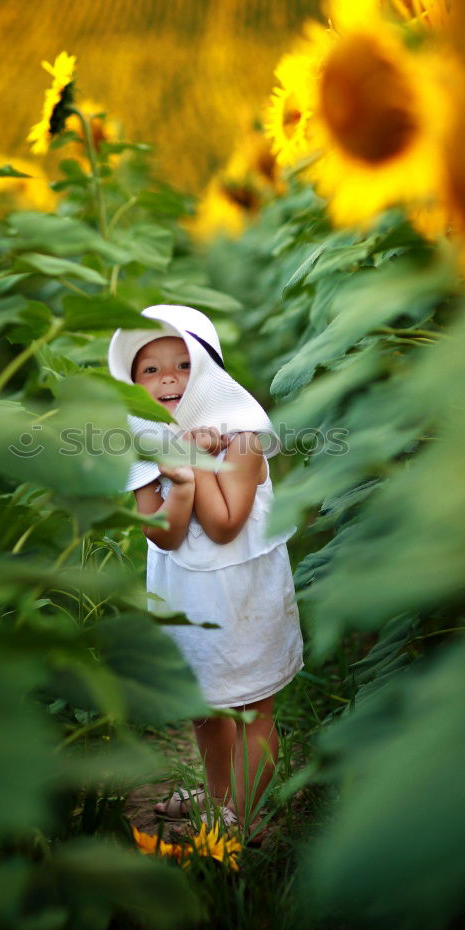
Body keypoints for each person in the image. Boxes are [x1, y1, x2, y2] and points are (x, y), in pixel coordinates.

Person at [108, 305, 303, 835]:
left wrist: (195, 465)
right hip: (186, 591)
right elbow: (162, 534)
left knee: (252, 705)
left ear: (210, 369)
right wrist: (184, 481)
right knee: (205, 704)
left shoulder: (241, 434)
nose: (168, 377)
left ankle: (239, 823)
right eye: (149, 369)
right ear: (130, 382)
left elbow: (224, 526)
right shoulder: (140, 441)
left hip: (244, 588)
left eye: (183, 363)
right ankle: (219, 799)